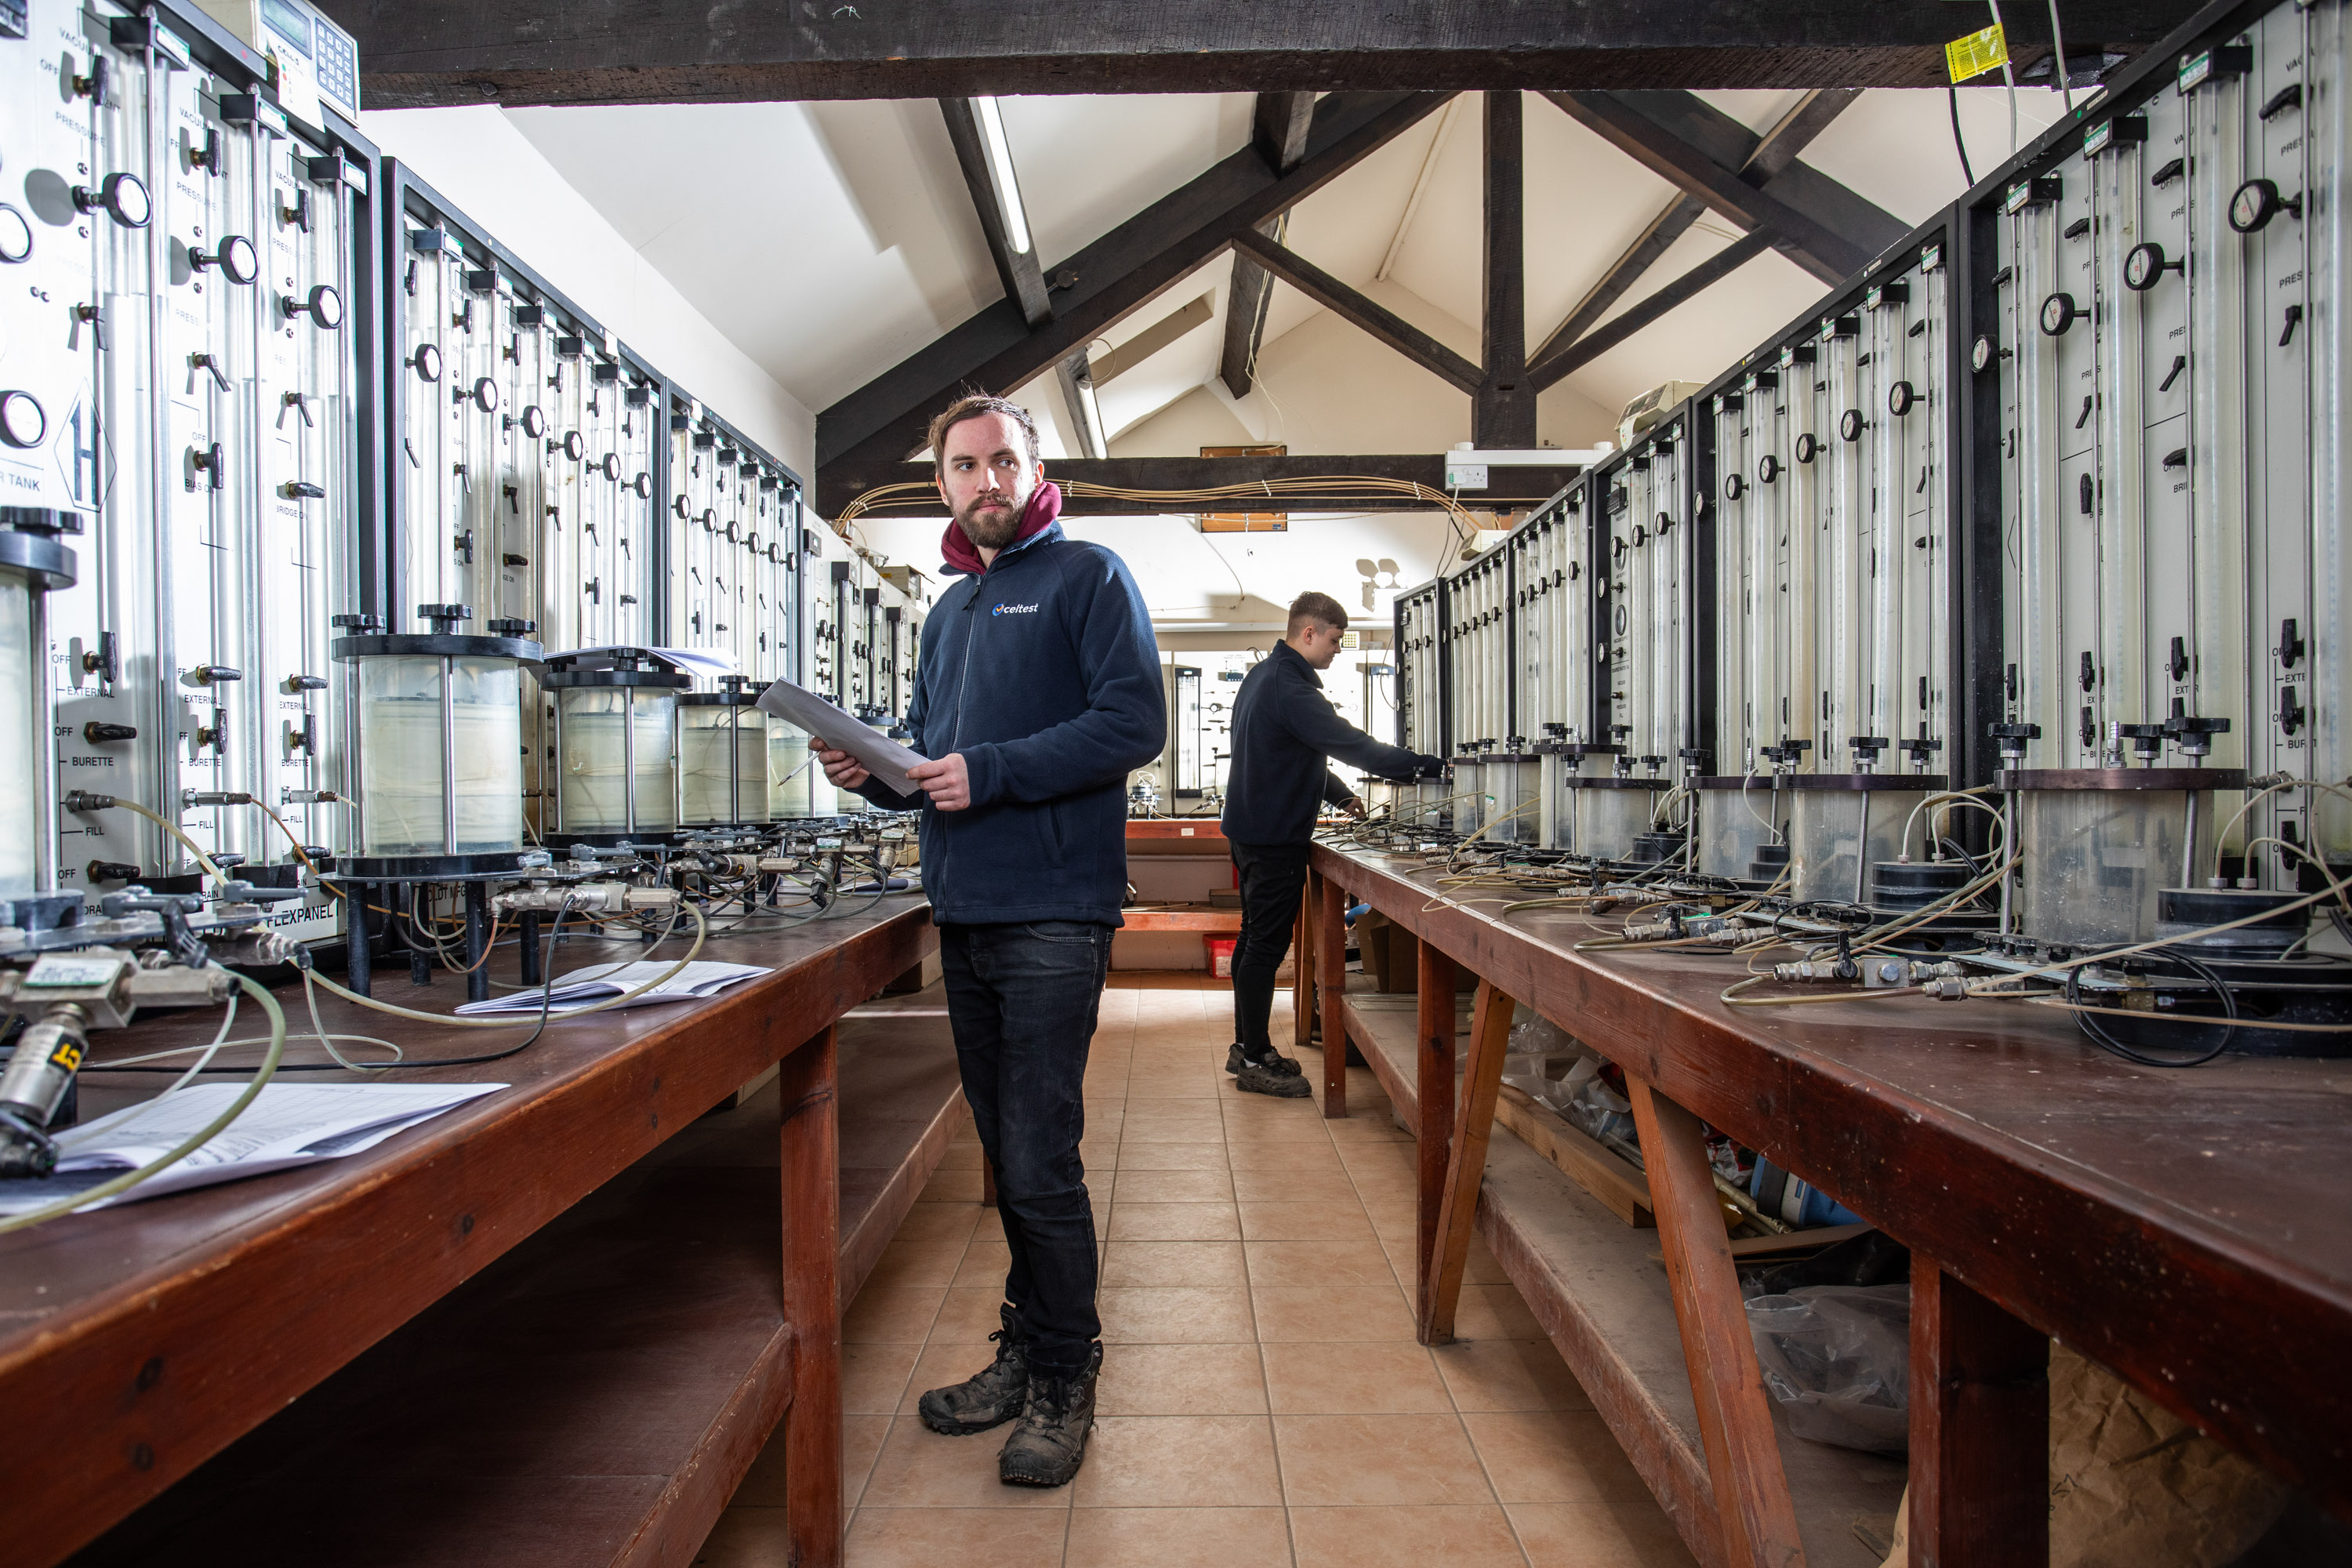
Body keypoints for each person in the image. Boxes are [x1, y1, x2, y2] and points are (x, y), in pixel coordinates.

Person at [813, 395, 1162, 1487]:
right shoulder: (952, 612)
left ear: (1035, 464)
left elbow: (1132, 722)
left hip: (1054, 913)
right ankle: (1025, 1349)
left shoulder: (1090, 577)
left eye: (1002, 460)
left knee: (1040, 1161)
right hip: (963, 914)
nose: (986, 481)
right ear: (943, 485)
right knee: (1008, 1159)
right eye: (964, 467)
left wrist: (993, 770)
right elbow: (935, 766)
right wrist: (875, 776)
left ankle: (1067, 1374)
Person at [1218, 591, 1442, 1097]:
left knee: (1254, 939)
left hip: (1253, 830)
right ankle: (1253, 1055)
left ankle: (1247, 1046)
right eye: (1336, 640)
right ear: (1309, 633)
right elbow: (1347, 743)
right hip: (1273, 837)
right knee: (1264, 947)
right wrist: (1426, 767)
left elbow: (1298, 752)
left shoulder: (1264, 676)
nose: (1338, 650)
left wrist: (1340, 796)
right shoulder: (1290, 686)